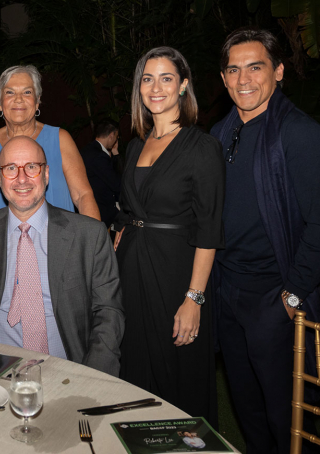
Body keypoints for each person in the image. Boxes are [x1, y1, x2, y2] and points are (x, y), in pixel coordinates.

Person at [211, 27, 320, 454]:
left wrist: (292, 294)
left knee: (287, 418)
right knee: (248, 411)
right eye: (233, 70)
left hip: (274, 297)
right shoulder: (219, 133)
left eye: (255, 67)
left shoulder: (299, 132)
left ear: (278, 71)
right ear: (223, 78)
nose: (243, 80)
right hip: (228, 293)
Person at [0, 136, 124, 375]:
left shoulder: (89, 235)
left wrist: (94, 377)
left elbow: (109, 312)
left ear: (46, 174)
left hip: (67, 372)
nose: (22, 178)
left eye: (32, 167)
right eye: (11, 168)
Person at [113, 47, 225, 423]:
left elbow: (209, 230)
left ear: (183, 86)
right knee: (135, 367)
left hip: (176, 273)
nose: (156, 87)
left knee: (178, 370)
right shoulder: (134, 146)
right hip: (132, 272)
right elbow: (131, 207)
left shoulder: (202, 147)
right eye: (147, 79)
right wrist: (123, 228)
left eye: (166, 78)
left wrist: (194, 299)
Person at [0, 65, 100, 220]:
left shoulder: (60, 139)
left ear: (37, 101)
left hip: (58, 235)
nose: (18, 99)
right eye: (10, 92)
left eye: (27, 92)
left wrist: (94, 235)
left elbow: (83, 195)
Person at [80, 121, 123, 228]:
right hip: (102, 212)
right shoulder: (99, 155)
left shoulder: (87, 150)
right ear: (111, 135)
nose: (116, 140)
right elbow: (117, 184)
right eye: (117, 137)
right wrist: (117, 155)